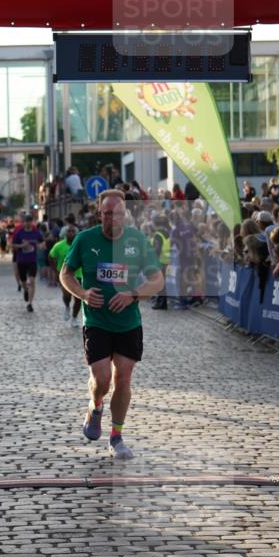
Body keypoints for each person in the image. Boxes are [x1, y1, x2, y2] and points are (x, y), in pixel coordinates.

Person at [60, 190, 164, 460]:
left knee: (124, 377)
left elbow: (157, 280)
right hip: (96, 320)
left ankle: (116, 435)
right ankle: (95, 406)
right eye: (107, 213)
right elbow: (66, 273)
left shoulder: (137, 240)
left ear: (125, 215)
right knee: (102, 379)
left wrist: (133, 294)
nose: (112, 218)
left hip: (128, 321)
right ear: (99, 214)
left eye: (118, 213)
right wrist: (82, 294)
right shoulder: (85, 240)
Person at [49, 224, 82, 327]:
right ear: (65, 233)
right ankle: (67, 306)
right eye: (69, 231)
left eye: (73, 231)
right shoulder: (59, 245)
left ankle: (74, 318)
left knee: (78, 298)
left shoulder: (80, 245)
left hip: (78, 275)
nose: (71, 233)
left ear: (76, 233)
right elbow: (51, 256)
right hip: (64, 275)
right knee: (67, 295)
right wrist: (56, 271)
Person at [12, 213, 44, 312]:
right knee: (23, 281)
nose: (27, 223)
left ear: (32, 222)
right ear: (23, 223)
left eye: (29, 221)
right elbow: (12, 245)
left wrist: (41, 246)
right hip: (21, 260)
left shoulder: (36, 232)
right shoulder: (19, 233)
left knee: (32, 280)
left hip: (32, 260)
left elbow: (42, 242)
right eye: (26, 221)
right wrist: (22, 245)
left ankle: (30, 303)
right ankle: (25, 290)